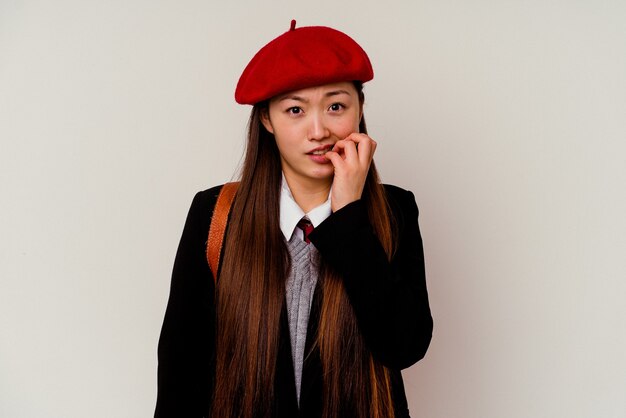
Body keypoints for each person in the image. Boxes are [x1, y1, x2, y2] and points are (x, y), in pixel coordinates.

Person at [155, 20, 433, 418]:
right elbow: (180, 373)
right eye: (295, 110)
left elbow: (404, 345)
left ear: (360, 110)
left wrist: (350, 214)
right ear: (267, 120)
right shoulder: (215, 214)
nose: (318, 130)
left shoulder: (394, 211)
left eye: (336, 106)